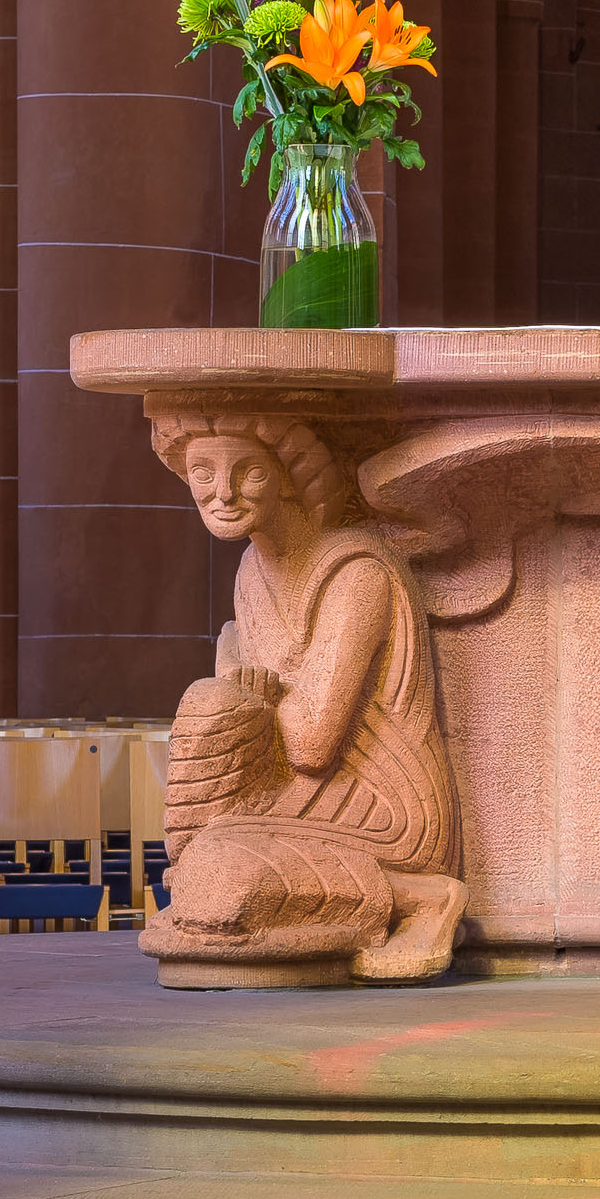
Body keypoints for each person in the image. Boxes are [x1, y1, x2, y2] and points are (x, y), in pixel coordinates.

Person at [149, 416, 464, 982]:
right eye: (202, 471)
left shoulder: (355, 573)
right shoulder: (251, 571)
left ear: (290, 477)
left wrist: (249, 691)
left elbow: (314, 744)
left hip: (379, 806)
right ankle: (223, 875)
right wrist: (237, 684)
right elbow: (258, 705)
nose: (221, 493)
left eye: (249, 473)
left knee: (223, 879)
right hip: (288, 795)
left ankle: (421, 897)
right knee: (208, 715)